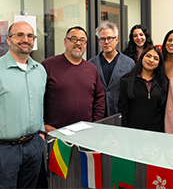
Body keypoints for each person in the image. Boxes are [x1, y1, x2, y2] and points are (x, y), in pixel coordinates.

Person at [0, 21, 47, 188]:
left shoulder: (40, 70)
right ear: (8, 39)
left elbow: (40, 104)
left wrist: (41, 134)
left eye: (30, 36)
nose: (25, 39)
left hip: (34, 146)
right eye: (19, 35)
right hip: (5, 151)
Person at [42, 26, 105, 132]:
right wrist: (42, 125)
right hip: (56, 133)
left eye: (82, 40)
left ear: (85, 44)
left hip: (85, 132)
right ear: (65, 41)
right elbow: (37, 98)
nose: (78, 43)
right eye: (74, 39)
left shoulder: (91, 69)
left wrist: (96, 123)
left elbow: (100, 98)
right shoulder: (48, 65)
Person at [89, 21, 135, 116]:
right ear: (99, 41)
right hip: (98, 114)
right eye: (102, 39)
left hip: (121, 113)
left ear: (117, 39)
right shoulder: (91, 64)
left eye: (110, 38)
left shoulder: (129, 63)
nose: (106, 42)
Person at [118, 46, 168, 132]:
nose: (151, 60)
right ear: (142, 57)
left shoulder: (164, 83)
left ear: (159, 63)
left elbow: (164, 111)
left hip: (156, 134)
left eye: (156, 58)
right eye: (148, 56)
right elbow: (123, 110)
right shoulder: (126, 81)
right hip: (132, 132)